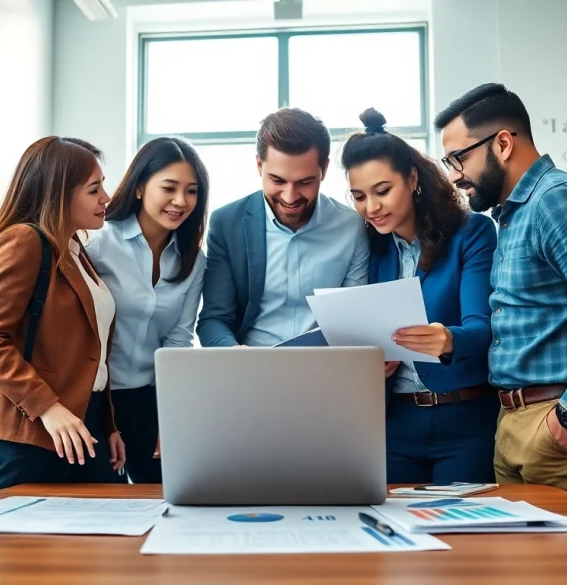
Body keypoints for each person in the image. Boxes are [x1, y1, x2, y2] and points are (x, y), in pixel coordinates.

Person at [434, 83, 567, 506]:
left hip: (558, 425)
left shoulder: (558, 201)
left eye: (459, 158)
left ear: (502, 144)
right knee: (523, 570)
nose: (454, 175)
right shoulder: (514, 213)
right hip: (516, 421)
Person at [341, 108, 499, 484]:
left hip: (465, 420)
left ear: (412, 178)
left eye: (382, 191)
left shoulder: (471, 232)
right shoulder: (372, 247)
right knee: (391, 535)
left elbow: (485, 328)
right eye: (359, 196)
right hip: (395, 422)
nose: (371, 208)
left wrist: (446, 339)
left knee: (462, 538)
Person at [0, 136, 127, 490]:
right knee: (34, 541)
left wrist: (109, 425)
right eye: (94, 189)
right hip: (37, 424)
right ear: (59, 193)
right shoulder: (24, 241)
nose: (106, 198)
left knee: (100, 535)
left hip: (87, 419)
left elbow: (91, 350)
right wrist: (48, 409)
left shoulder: (74, 248)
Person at [86, 137, 208, 483]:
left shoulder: (193, 259)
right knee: (102, 505)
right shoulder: (97, 244)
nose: (180, 201)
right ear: (140, 187)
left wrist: (172, 414)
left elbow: (179, 339)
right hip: (96, 401)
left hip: (150, 399)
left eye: (192, 191)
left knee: (164, 496)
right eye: (169, 188)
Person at [197, 107, 369, 347]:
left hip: (326, 370)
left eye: (305, 182)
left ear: (325, 170)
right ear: (259, 165)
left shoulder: (352, 226)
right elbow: (214, 320)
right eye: (277, 180)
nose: (290, 197)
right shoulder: (226, 224)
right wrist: (236, 355)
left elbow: (354, 318)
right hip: (252, 371)